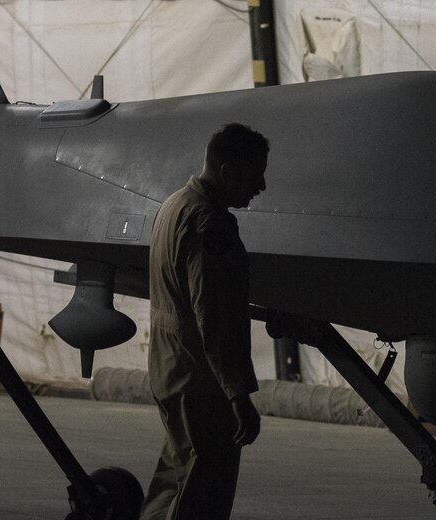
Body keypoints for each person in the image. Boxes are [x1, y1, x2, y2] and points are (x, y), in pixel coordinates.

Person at [140, 123, 269, 520]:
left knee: (176, 479)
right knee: (202, 491)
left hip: (170, 367)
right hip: (200, 378)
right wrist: (237, 394)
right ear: (228, 170)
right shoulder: (209, 223)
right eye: (255, 173)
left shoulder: (173, 206)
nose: (261, 186)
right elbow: (213, 316)